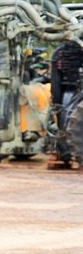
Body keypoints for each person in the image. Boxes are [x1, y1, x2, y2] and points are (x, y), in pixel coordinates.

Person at [49, 37, 82, 169]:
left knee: (63, 119)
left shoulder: (60, 52)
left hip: (68, 94)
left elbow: (56, 88)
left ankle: (65, 149)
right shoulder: (61, 53)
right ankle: (65, 150)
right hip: (71, 92)